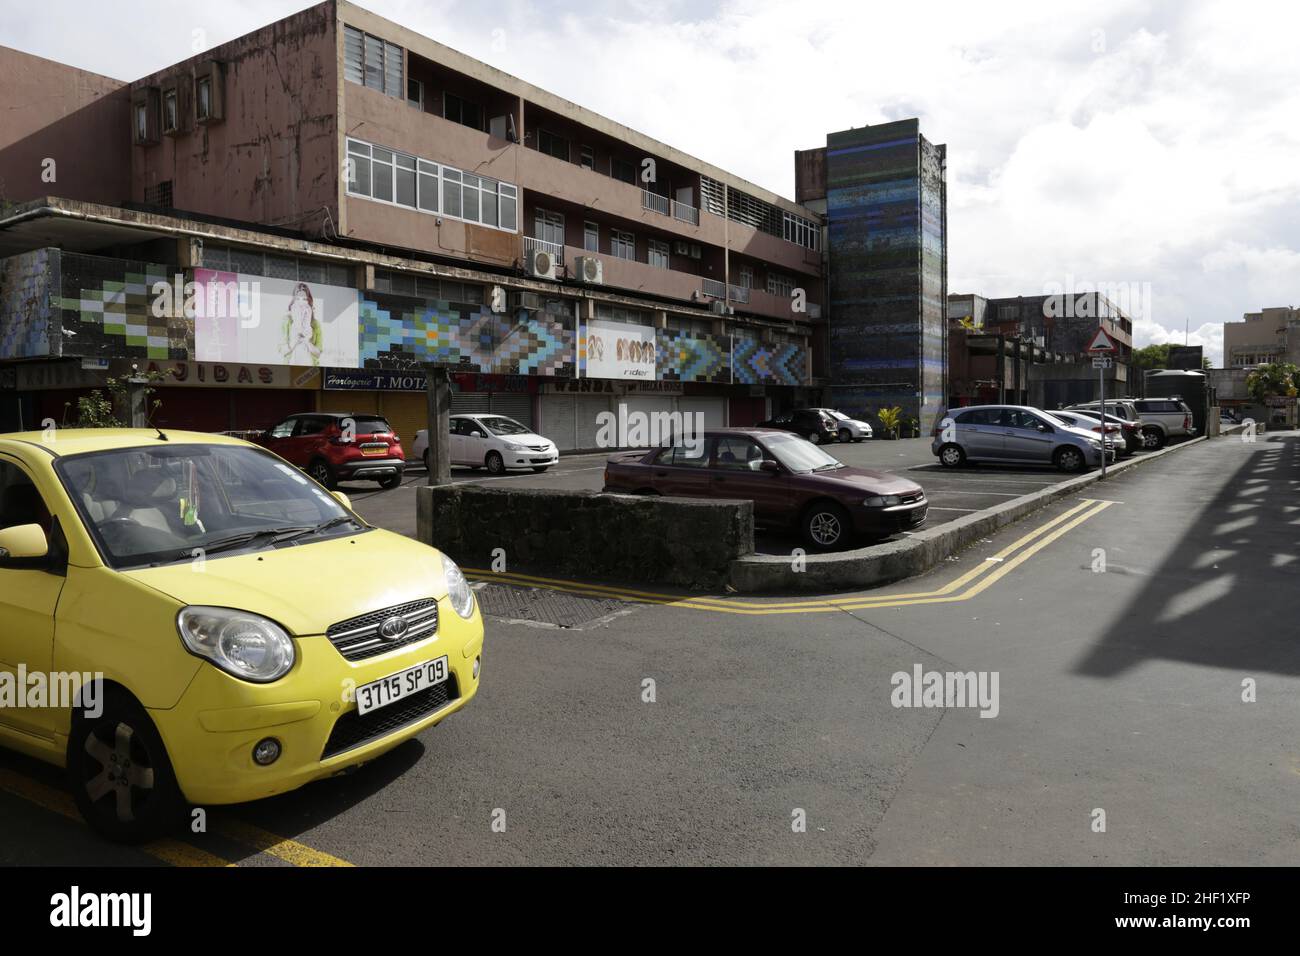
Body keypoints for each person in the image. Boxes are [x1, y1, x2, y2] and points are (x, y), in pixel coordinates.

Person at [282, 283, 323, 366]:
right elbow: (283, 351)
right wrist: (295, 341)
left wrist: (307, 341)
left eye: (304, 299)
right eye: (298, 299)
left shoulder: (315, 324)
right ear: (293, 301)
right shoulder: (286, 321)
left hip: (310, 366)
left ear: (309, 301)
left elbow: (318, 353)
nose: (301, 303)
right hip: (290, 365)